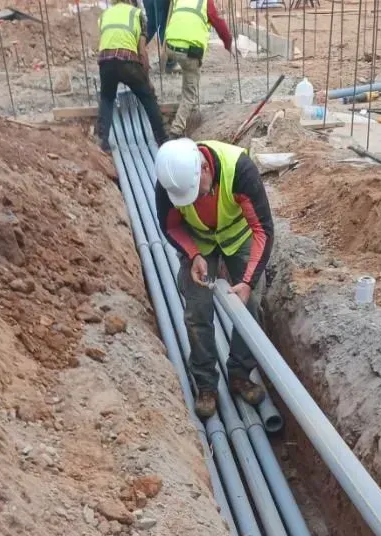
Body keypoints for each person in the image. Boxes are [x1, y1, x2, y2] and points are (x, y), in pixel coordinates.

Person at [155, 136, 273, 419]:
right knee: (197, 310)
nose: (192, 201)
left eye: (196, 193)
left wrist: (246, 282)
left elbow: (262, 229)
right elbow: (170, 227)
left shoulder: (240, 170)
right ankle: (206, 383)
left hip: (239, 236)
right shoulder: (169, 183)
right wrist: (194, 254)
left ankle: (240, 373)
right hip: (199, 242)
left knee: (251, 304)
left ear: (205, 170)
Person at [97, 0, 169, 153]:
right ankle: (162, 138)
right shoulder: (137, 15)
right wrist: (147, 79)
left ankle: (103, 141)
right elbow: (141, 52)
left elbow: (106, 39)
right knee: (147, 97)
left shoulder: (105, 14)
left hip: (106, 61)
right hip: (127, 61)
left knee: (107, 98)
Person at [163, 0, 233, 138]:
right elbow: (219, 24)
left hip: (170, 47)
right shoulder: (207, 2)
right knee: (189, 94)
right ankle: (176, 130)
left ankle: (186, 107)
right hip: (189, 52)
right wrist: (228, 43)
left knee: (186, 68)